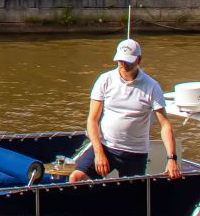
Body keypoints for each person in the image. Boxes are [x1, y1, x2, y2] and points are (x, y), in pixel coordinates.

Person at [69, 38, 182, 182]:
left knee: (132, 192)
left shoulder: (152, 86)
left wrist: (172, 159)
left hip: (135, 153)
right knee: (76, 178)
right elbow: (92, 120)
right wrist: (99, 152)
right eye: (120, 60)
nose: (123, 64)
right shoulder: (105, 80)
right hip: (106, 147)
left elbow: (165, 125)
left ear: (138, 59)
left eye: (128, 61)